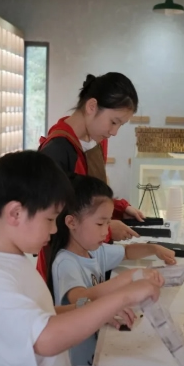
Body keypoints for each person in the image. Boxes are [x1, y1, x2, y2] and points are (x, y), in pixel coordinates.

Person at [0, 153, 162, 366]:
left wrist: (100, 311)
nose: (55, 229)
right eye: (49, 219)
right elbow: (45, 339)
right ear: (16, 213)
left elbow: (43, 314)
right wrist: (123, 297)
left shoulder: (13, 262)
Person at [48, 177, 172, 366]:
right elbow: (81, 298)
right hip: (79, 362)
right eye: (100, 224)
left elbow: (127, 252)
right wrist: (130, 278)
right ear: (71, 222)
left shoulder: (94, 250)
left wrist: (154, 248)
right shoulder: (65, 263)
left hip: (98, 346)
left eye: (108, 223)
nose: (106, 231)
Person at [38, 69, 145, 241]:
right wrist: (107, 230)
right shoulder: (57, 149)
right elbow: (53, 218)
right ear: (91, 107)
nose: (114, 132)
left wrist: (119, 209)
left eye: (120, 125)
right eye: (114, 122)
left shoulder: (97, 140)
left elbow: (85, 197)